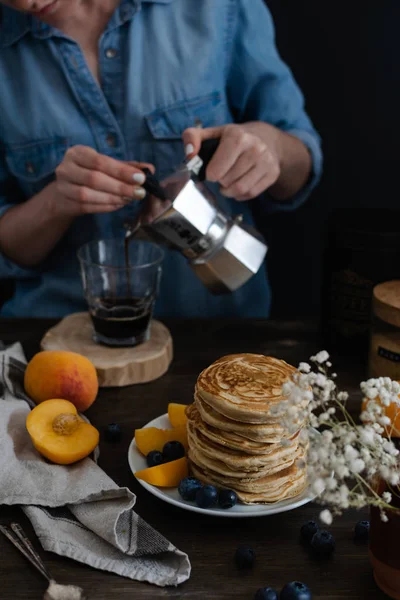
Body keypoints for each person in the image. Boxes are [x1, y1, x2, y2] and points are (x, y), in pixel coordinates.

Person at [0, 0, 322, 319]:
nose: (29, 2)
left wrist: (271, 148)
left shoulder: (215, 8)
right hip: (60, 333)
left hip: (218, 331)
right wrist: (57, 202)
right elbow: (10, 248)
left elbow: (301, 165)